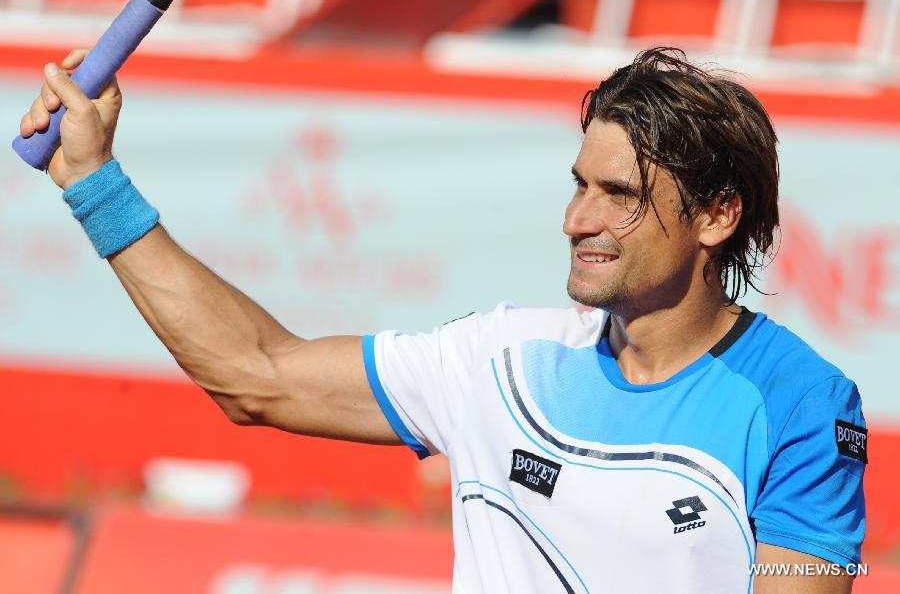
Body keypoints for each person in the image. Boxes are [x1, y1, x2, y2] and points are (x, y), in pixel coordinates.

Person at [19, 46, 866, 593]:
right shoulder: (497, 357)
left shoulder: (803, 406)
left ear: (717, 216)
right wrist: (94, 184)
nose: (578, 219)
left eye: (620, 197)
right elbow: (255, 372)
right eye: (579, 185)